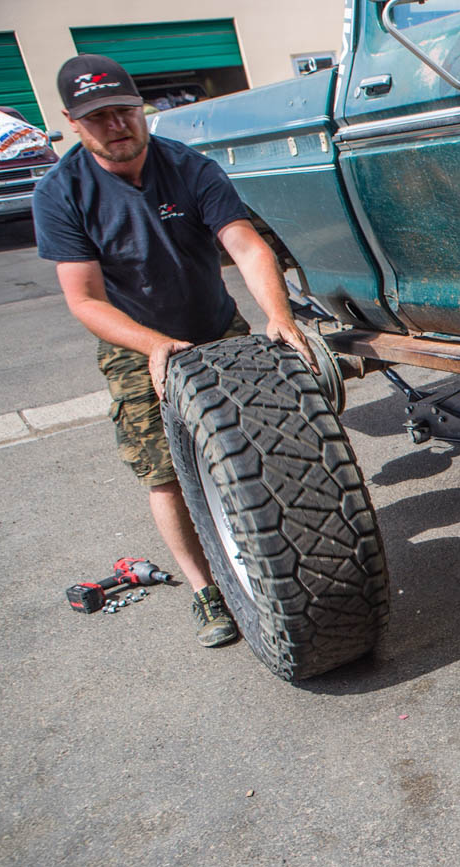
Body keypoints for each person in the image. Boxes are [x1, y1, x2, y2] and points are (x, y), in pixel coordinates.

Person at [33, 54, 316, 648]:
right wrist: (154, 343)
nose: (115, 125)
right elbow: (84, 300)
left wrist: (277, 316)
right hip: (136, 346)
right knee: (167, 474)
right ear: (72, 122)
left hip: (215, 326)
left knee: (270, 442)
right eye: (98, 117)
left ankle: (292, 556)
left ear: (142, 109)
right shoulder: (63, 194)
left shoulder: (190, 168)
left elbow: (245, 245)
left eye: (123, 111)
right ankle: (205, 589)